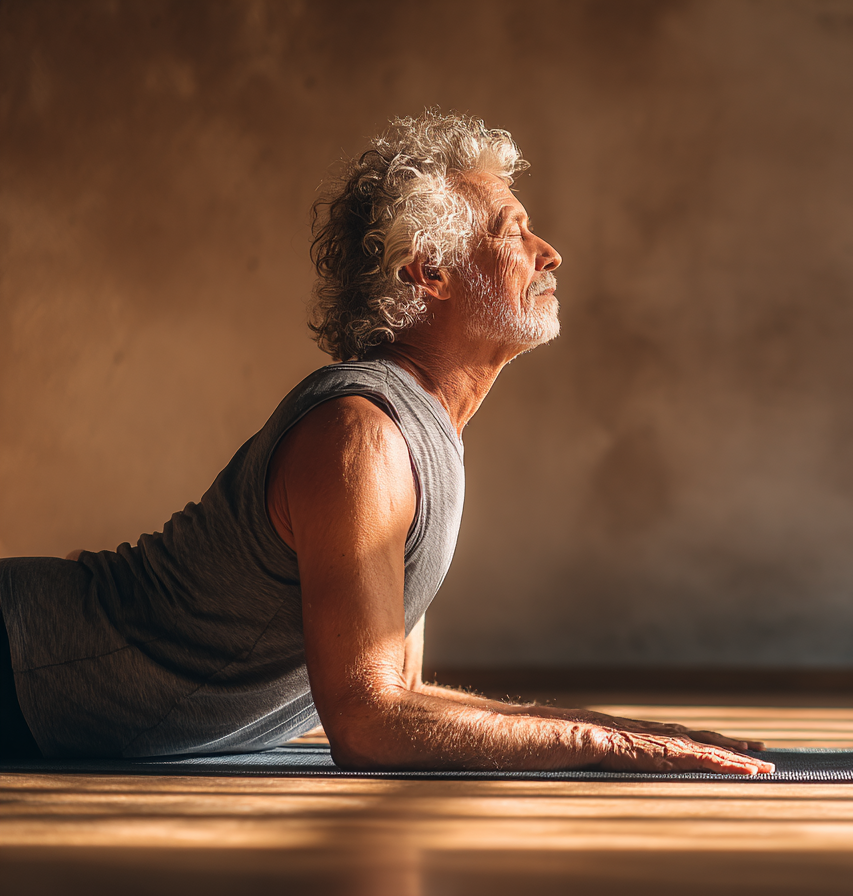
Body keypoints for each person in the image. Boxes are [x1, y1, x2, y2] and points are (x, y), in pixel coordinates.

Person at [0, 110, 772, 775]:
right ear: (429, 270)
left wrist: (619, 730)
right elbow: (369, 726)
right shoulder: (362, 438)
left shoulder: (426, 435)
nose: (550, 252)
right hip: (18, 659)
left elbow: (398, 697)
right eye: (514, 231)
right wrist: (597, 743)